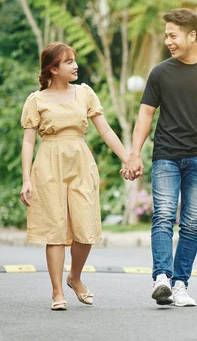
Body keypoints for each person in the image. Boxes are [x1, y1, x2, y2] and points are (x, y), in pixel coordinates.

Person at [122, 8, 197, 307]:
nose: (168, 41)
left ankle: (180, 285)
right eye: (166, 36)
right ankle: (161, 278)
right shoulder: (161, 73)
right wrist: (135, 153)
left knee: (191, 223)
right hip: (166, 155)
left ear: (192, 35)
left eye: (173, 35)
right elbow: (146, 114)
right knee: (163, 215)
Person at [20, 42, 129, 310]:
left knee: (85, 227)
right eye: (68, 62)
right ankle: (57, 292)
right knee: (54, 230)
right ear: (53, 69)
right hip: (48, 164)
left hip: (80, 161)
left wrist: (127, 158)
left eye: (74, 60)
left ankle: (75, 277)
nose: (75, 65)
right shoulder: (37, 100)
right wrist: (26, 179)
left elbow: (105, 131)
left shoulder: (85, 94)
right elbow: (28, 143)